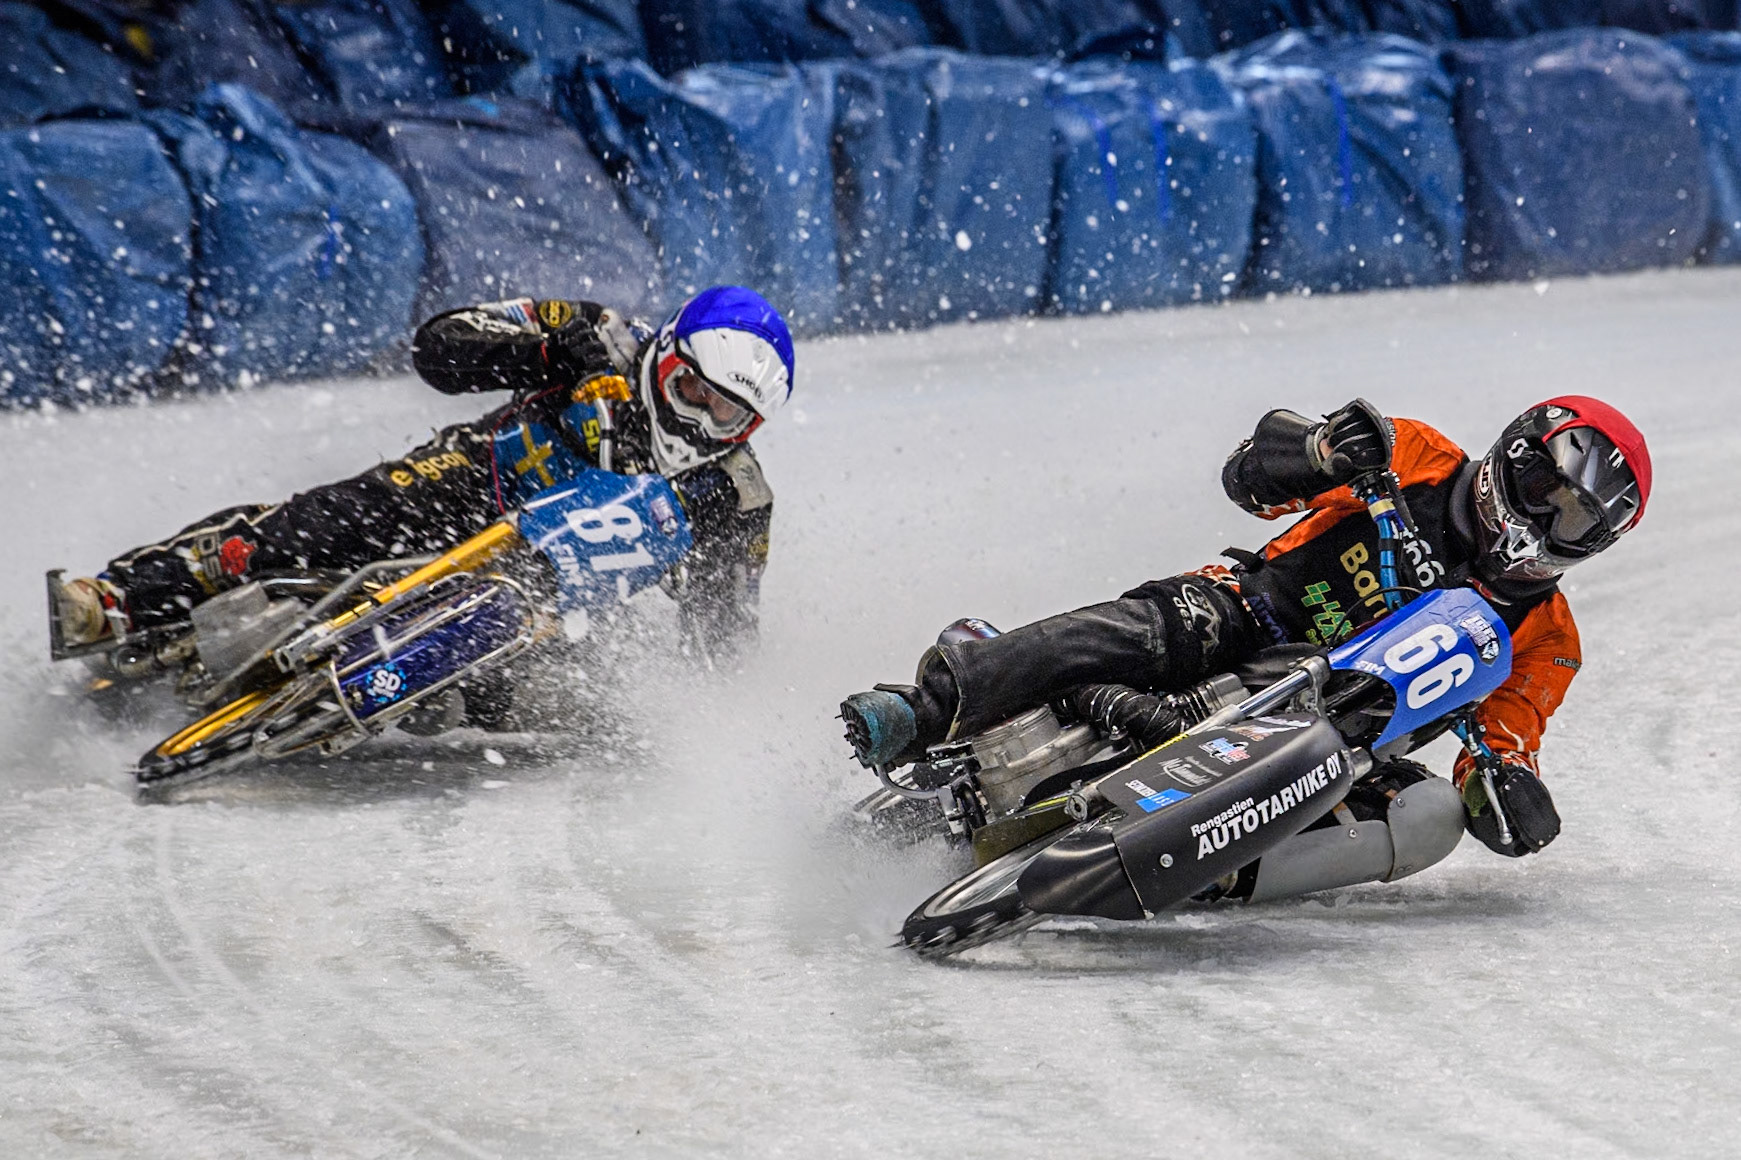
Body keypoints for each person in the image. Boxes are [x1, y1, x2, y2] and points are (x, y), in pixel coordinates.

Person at [841, 396, 1650, 864]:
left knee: (1424, 816)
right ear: (1513, 456)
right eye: (1544, 485)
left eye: (1573, 516)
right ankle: (924, 709)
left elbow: (1503, 747)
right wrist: (1323, 450)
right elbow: (1250, 479)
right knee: (1143, 629)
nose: (1545, 515)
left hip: (1333, 740)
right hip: (1246, 611)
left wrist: (1505, 792)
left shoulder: (1546, 639)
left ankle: (1224, 874)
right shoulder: (1417, 455)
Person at [51, 285, 794, 694]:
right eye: (689, 388)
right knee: (321, 523)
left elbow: (723, 632)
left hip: (557, 587)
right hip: (468, 484)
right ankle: (117, 600)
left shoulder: (736, 494)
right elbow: (437, 346)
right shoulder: (597, 334)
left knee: (579, 704)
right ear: (665, 353)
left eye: (727, 410)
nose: (701, 415)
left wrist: (698, 718)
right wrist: (538, 348)